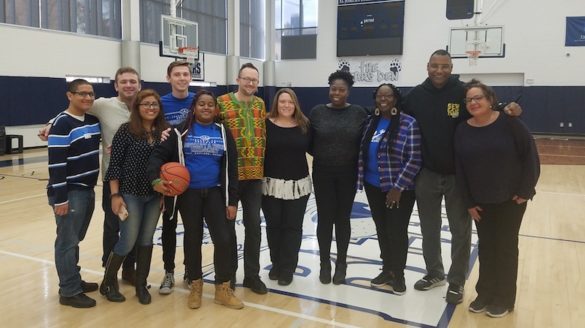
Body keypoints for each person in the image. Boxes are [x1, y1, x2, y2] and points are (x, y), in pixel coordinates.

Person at [403, 49, 522, 304]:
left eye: (444, 66)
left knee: (460, 231)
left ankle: (456, 281)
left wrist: (507, 107)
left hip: (459, 176)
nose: (439, 70)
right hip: (427, 174)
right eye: (434, 65)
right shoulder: (415, 96)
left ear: (451, 67)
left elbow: (486, 106)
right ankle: (434, 273)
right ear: (427, 66)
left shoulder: (462, 91)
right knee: (429, 229)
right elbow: (394, 110)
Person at [40, 68, 142, 284]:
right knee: (112, 226)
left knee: (135, 226)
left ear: (139, 84)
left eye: (133, 81)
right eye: (123, 81)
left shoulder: (146, 106)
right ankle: (109, 271)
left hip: (139, 179)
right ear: (116, 85)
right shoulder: (103, 105)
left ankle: (129, 270)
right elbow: (72, 110)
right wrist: (52, 122)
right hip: (112, 179)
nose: (128, 85)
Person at [148, 90, 243, 310]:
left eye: (210, 104)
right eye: (202, 104)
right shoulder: (178, 132)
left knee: (223, 239)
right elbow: (157, 157)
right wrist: (155, 181)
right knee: (192, 239)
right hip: (189, 194)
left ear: (216, 109)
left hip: (215, 193)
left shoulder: (223, 131)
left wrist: (232, 201)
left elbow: (232, 169)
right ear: (194, 107)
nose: (206, 107)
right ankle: (196, 287)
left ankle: (222, 288)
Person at [455, 80, 539, 318]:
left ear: (490, 99)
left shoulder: (510, 123)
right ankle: (485, 293)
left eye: (478, 98)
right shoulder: (462, 129)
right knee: (487, 247)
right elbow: (460, 168)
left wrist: (525, 191)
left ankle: (504, 298)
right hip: (480, 202)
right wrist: (469, 202)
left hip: (510, 200)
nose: (473, 103)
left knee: (505, 248)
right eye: (469, 100)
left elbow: (530, 157)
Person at [100, 89, 169, 305]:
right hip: (130, 193)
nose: (151, 108)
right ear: (137, 108)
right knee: (127, 240)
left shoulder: (164, 132)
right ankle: (108, 283)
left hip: (154, 195)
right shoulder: (125, 130)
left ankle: (141, 284)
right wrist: (114, 195)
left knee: (146, 240)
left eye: (154, 104)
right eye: (146, 104)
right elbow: (115, 165)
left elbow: (168, 165)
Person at [357, 83, 422, 295]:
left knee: (396, 231)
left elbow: (414, 158)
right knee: (382, 229)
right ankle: (387, 269)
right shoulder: (370, 122)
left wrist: (398, 187)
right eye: (379, 96)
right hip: (373, 185)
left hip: (398, 189)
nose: (383, 99)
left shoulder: (408, 123)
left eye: (388, 96)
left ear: (395, 98)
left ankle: (399, 274)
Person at [309, 70, 369, 285]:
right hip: (322, 172)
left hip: (348, 173)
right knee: (325, 218)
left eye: (341, 89)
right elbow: (309, 142)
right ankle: (324, 263)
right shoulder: (317, 112)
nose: (337, 92)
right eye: (333, 88)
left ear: (348, 92)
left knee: (342, 218)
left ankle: (341, 263)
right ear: (329, 89)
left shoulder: (359, 113)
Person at [47, 79, 101, 308]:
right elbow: (56, 165)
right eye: (82, 94)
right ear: (70, 95)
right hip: (70, 192)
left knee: (75, 239)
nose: (88, 98)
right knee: (67, 242)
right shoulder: (61, 124)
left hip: (88, 189)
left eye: (91, 94)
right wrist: (61, 199)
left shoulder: (92, 120)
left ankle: (74, 279)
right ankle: (68, 291)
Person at [217, 63, 267, 294]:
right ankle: (229, 274)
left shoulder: (260, 104)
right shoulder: (221, 102)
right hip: (230, 178)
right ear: (238, 79)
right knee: (228, 228)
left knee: (254, 226)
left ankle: (252, 275)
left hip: (255, 176)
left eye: (254, 80)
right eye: (246, 79)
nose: (250, 83)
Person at [262, 88, 312, 286]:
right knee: (274, 226)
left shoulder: (305, 125)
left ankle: (288, 268)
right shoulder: (265, 124)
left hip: (298, 185)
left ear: (295, 104)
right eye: (282, 101)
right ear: (276, 103)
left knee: (293, 228)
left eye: (290, 102)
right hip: (270, 185)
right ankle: (276, 264)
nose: (286, 105)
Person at [158, 60, 196, 294]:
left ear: (190, 78)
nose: (182, 78)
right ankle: (169, 272)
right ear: (169, 78)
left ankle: (191, 271)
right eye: (177, 74)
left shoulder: (198, 100)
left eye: (185, 74)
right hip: (169, 175)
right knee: (169, 227)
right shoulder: (160, 103)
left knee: (192, 229)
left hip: (193, 175)